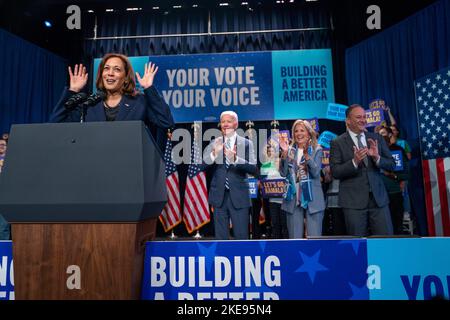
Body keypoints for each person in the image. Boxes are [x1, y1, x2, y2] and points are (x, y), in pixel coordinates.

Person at [49, 53, 174, 132]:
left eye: (117, 69)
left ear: (125, 78)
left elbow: (166, 122)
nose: (110, 73)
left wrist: (149, 88)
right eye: (106, 68)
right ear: (101, 75)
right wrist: (73, 91)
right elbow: (55, 125)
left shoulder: (139, 102)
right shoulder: (88, 104)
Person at [330, 104, 395, 236]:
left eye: (364, 117)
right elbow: (335, 171)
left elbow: (392, 164)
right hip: (353, 202)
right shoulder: (338, 142)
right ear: (348, 120)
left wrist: (377, 157)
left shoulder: (376, 138)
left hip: (379, 200)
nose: (363, 120)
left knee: (385, 243)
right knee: (357, 246)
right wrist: (354, 162)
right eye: (358, 117)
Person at [202, 111, 257, 240]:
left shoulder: (246, 144)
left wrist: (236, 159)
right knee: (221, 239)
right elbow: (201, 166)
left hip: (239, 196)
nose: (225, 124)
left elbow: (253, 169)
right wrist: (214, 154)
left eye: (229, 121)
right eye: (223, 122)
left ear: (236, 124)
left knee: (241, 237)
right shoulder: (215, 143)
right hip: (219, 197)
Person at [280, 120, 325, 239]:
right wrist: (284, 156)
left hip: (313, 199)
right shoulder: (290, 151)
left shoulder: (317, 150)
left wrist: (307, 157)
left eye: (302, 130)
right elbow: (283, 173)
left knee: (314, 240)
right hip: (293, 199)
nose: (299, 133)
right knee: (295, 240)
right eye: (296, 131)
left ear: (309, 133)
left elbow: (315, 173)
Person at [379, 126, 410, 235]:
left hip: (394, 192)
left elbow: (406, 173)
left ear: (389, 135)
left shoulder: (398, 150)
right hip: (379, 196)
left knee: (397, 225)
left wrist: (395, 177)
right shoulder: (374, 152)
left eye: (383, 133)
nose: (381, 136)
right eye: (379, 134)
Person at [260, 142, 288, 239]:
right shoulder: (265, 166)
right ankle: (276, 244)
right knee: (275, 223)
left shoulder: (283, 162)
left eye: (273, 151)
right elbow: (262, 182)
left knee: (284, 224)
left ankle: (286, 245)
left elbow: (286, 176)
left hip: (284, 200)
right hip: (272, 200)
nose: (271, 153)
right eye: (269, 151)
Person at [0, 139, 11, 240]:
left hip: (6, 196)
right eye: (0, 145)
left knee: (4, 227)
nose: (1, 146)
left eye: (3, 144)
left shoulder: (11, 159)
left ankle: (3, 249)